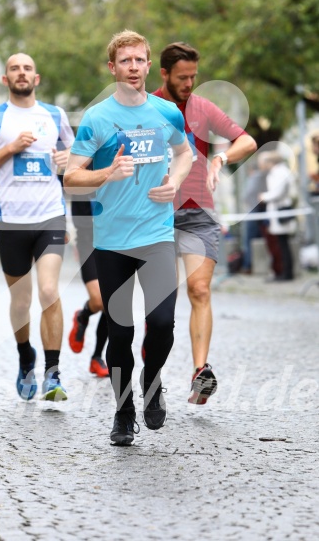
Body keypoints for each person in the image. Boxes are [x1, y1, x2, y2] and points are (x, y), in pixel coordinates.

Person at [64, 30, 193, 446]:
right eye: (125, 61)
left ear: (148, 65)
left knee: (161, 323)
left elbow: (186, 152)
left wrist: (174, 181)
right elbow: (71, 178)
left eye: (139, 60)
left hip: (157, 236)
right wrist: (106, 173)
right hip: (113, 241)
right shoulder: (99, 118)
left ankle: (152, 382)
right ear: (112, 68)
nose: (133, 67)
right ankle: (123, 413)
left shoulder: (167, 113)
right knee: (120, 332)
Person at [153, 42, 257, 404]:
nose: (189, 83)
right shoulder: (147, 107)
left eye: (194, 76)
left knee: (199, 289)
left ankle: (201, 372)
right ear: (164, 73)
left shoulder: (202, 108)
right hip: (157, 216)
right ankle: (152, 378)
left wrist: (222, 157)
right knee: (161, 304)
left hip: (199, 212)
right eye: (183, 77)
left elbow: (248, 140)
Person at [0, 53, 75, 402]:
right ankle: (25, 355)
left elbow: (76, 162)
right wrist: (11, 148)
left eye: (27, 68)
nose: (21, 73)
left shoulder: (55, 115)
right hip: (12, 222)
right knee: (20, 301)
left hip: (50, 217)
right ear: (6, 79)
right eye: (15, 68)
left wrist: (66, 162)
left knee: (48, 291)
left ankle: (53, 371)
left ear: (37, 77)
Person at [68, 197, 109, 377]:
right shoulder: (80, 168)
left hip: (116, 238)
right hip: (87, 240)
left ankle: (97, 357)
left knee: (111, 302)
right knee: (99, 300)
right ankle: (83, 316)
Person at [258, 151, 298, 281]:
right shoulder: (279, 172)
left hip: (280, 210)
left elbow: (277, 192)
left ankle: (286, 273)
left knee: (283, 243)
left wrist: (264, 196)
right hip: (277, 210)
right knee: (282, 243)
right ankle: (285, 272)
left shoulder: (280, 173)